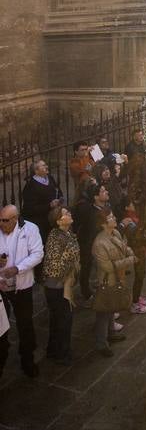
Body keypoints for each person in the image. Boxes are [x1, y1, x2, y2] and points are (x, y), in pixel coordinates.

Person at [0, 204, 44, 377]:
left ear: (15, 219)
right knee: (2, 327)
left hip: (21, 286)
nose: (1, 224)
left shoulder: (30, 229)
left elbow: (38, 254)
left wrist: (18, 268)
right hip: (2, 288)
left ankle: (27, 359)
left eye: (4, 221)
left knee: (25, 323)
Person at [91, 211, 134, 357]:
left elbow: (123, 246)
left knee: (111, 308)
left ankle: (111, 333)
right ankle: (101, 343)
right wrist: (130, 260)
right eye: (110, 217)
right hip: (107, 280)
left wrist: (129, 251)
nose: (114, 218)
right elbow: (108, 267)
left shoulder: (115, 232)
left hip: (117, 277)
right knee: (103, 312)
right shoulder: (99, 243)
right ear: (103, 223)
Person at [43, 206, 80, 365]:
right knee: (64, 319)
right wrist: (71, 263)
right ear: (59, 221)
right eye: (66, 214)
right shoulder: (55, 237)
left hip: (62, 284)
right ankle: (62, 353)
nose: (69, 214)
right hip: (56, 286)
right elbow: (54, 265)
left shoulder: (67, 234)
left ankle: (54, 350)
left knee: (58, 319)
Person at [21, 159, 63, 244]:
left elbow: (58, 191)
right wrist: (49, 206)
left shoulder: (50, 178)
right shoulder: (31, 186)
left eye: (45, 165)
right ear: (36, 171)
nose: (46, 167)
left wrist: (59, 199)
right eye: (43, 166)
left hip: (53, 217)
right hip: (41, 222)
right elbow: (29, 209)